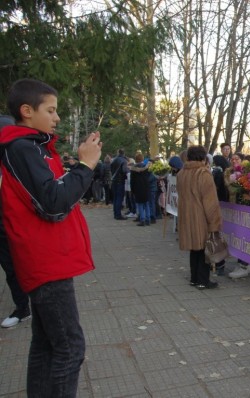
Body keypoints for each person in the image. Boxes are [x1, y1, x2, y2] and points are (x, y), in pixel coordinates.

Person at [0, 78, 102, 396]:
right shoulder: (21, 147)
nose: (57, 118)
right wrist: (85, 165)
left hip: (47, 259)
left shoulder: (31, 147)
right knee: (71, 348)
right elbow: (53, 203)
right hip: (46, 261)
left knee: (45, 345)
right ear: (27, 111)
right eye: (52, 110)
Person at [0, 114, 31, 329]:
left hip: (16, 224)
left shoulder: (20, 158)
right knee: (11, 268)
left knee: (19, 266)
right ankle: (23, 307)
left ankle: (28, 307)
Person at [177, 145, 222, 289]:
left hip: (186, 215)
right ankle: (203, 280)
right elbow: (210, 202)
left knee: (194, 248)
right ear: (203, 157)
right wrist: (215, 222)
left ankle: (194, 278)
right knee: (203, 248)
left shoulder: (181, 173)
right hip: (200, 216)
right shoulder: (203, 174)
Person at [211, 155, 230, 276]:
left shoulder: (218, 173)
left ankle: (219, 264)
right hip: (223, 205)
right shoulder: (224, 173)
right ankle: (218, 263)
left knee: (217, 236)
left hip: (218, 206)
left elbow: (215, 189)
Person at [130, 153, 151, 226]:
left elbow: (132, 181)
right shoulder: (147, 167)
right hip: (146, 187)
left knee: (140, 204)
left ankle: (142, 219)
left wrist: (132, 190)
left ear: (136, 159)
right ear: (142, 159)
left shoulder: (133, 169)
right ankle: (148, 219)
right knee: (146, 204)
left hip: (138, 188)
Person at [111, 149, 129, 219]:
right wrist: (129, 170)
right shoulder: (123, 160)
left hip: (114, 180)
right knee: (119, 198)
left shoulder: (114, 160)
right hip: (120, 181)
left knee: (115, 198)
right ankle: (118, 214)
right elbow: (124, 170)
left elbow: (111, 169)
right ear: (124, 153)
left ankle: (115, 213)